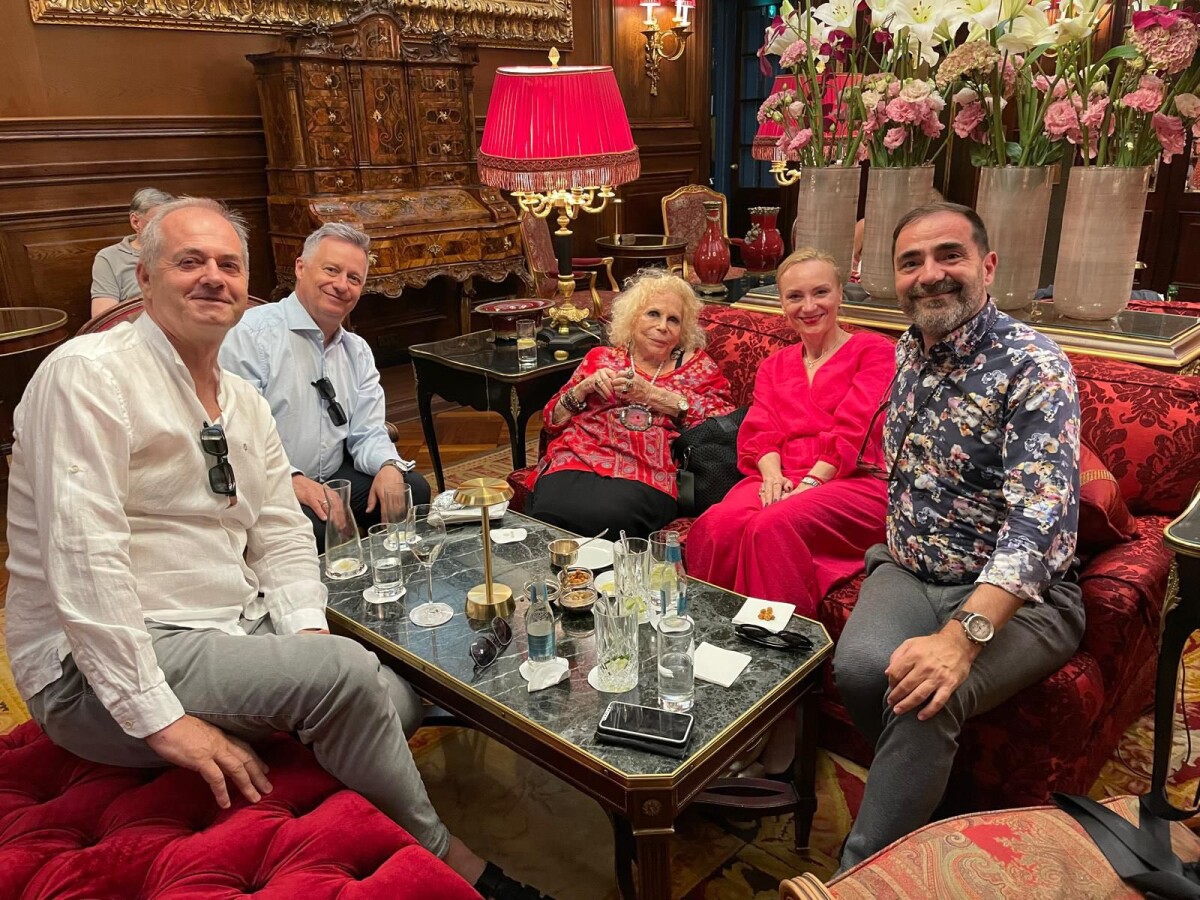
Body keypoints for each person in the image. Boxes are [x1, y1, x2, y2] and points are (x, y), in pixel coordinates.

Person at [5, 197, 550, 900]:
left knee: (392, 690)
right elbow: (85, 561)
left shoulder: (238, 399)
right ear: (143, 278)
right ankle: (452, 860)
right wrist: (165, 723)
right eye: (189, 261)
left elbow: (280, 530)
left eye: (228, 264)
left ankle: (332, 765)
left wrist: (304, 641)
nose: (213, 277)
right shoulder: (87, 377)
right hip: (95, 668)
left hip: (224, 626)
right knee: (350, 676)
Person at [833, 202, 1084, 871]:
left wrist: (959, 639)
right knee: (859, 667)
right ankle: (927, 813)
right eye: (911, 261)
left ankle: (855, 880)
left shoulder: (1034, 364)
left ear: (987, 265)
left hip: (1024, 599)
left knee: (923, 699)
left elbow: (1040, 522)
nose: (930, 274)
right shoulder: (908, 351)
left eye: (949, 255)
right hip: (909, 570)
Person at [686, 248, 895, 619]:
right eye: (795, 296)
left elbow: (856, 427)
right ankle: (712, 630)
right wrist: (772, 476)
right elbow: (761, 426)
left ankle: (783, 648)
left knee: (772, 525)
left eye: (821, 292)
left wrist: (809, 485)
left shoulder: (875, 351)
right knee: (716, 525)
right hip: (783, 473)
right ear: (781, 303)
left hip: (854, 479)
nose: (808, 306)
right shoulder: (775, 365)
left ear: (840, 294)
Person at [219, 223, 430, 551]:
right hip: (268, 480)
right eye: (331, 270)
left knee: (409, 490)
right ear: (300, 268)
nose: (341, 285)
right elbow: (238, 435)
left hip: (333, 471)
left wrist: (389, 466)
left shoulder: (357, 351)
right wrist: (292, 480)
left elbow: (369, 431)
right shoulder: (250, 336)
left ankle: (389, 584)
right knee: (318, 525)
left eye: (354, 278)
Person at [526, 269, 734, 539]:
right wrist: (583, 389)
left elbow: (725, 421)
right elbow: (552, 419)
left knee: (614, 516)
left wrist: (653, 395)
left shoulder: (697, 366)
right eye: (653, 314)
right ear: (633, 317)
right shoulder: (600, 357)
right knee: (548, 510)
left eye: (673, 320)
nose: (662, 326)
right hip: (577, 459)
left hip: (645, 474)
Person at [90, 187, 175, 316]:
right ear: (136, 222)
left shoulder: (181, 252)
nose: (166, 230)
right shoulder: (110, 257)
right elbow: (103, 318)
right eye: (157, 224)